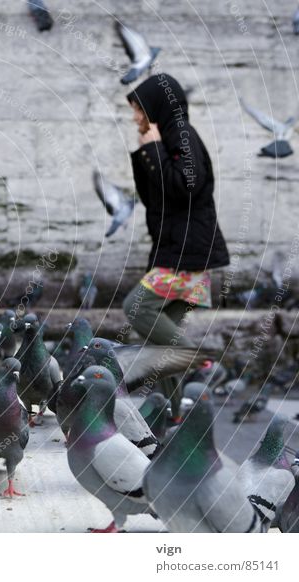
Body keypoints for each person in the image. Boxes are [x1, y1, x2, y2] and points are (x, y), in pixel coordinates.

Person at [121, 73, 230, 422]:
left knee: (136, 306)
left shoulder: (183, 136)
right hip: (176, 248)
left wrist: (154, 149)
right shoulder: (167, 137)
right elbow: (153, 197)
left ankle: (200, 361)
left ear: (154, 107)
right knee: (158, 348)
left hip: (186, 251)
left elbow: (186, 186)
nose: (135, 117)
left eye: (138, 109)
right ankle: (174, 415)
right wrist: (146, 151)